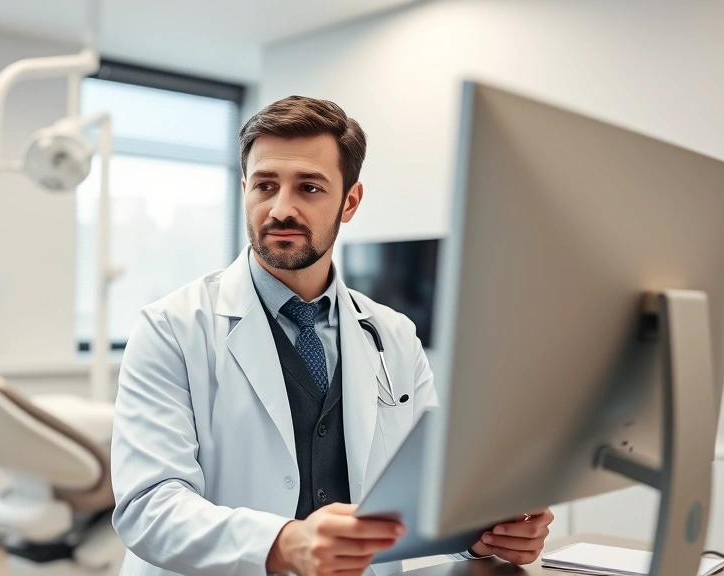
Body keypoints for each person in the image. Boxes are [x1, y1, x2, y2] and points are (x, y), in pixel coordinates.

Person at [111, 96, 554, 576]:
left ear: (350, 201)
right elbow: (147, 506)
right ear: (244, 190)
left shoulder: (395, 335)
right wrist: (282, 544)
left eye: (309, 187)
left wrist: (483, 531)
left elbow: (429, 493)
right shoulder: (171, 328)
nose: (281, 209)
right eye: (265, 185)